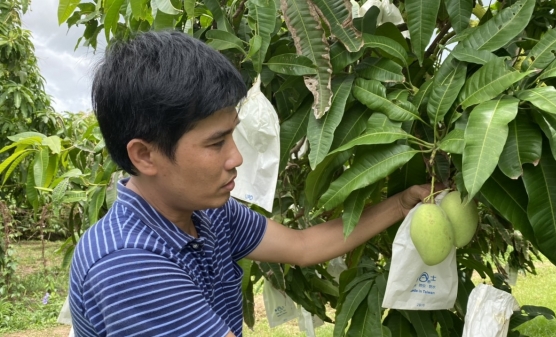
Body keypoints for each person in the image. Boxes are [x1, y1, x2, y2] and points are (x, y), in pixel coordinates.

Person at [69, 31, 431, 337]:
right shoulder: (129, 263)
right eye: (216, 142)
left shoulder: (208, 215)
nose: (236, 158)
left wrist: (403, 203)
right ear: (145, 156)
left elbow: (303, 246)